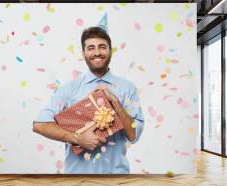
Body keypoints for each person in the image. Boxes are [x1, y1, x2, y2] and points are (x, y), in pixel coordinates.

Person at [33, 26, 144, 174]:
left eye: (102, 47)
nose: (97, 52)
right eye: (91, 48)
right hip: (77, 179)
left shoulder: (127, 88)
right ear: (84, 53)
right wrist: (77, 138)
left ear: (110, 50)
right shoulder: (69, 89)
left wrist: (116, 104)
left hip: (117, 178)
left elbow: (133, 135)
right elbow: (39, 125)